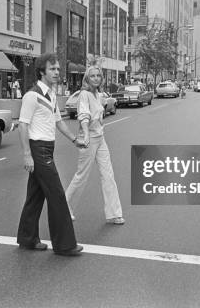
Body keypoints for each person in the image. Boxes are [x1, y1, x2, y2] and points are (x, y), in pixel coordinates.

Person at [17, 53, 85, 256]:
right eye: (52, 69)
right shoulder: (32, 95)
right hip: (38, 150)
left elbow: (58, 122)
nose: (57, 72)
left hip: (48, 149)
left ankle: (27, 239)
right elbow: (22, 125)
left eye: (57, 69)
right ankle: (64, 245)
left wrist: (74, 139)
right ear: (42, 72)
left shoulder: (52, 95)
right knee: (56, 196)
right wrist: (27, 154)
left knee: (35, 197)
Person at [65, 66, 125, 225]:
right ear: (87, 79)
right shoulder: (84, 94)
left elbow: (99, 115)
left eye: (99, 75)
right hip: (89, 138)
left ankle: (114, 213)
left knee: (108, 174)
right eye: (93, 76)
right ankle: (64, 208)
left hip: (100, 138)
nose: (96, 78)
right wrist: (85, 134)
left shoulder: (98, 94)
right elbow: (83, 115)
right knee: (81, 175)